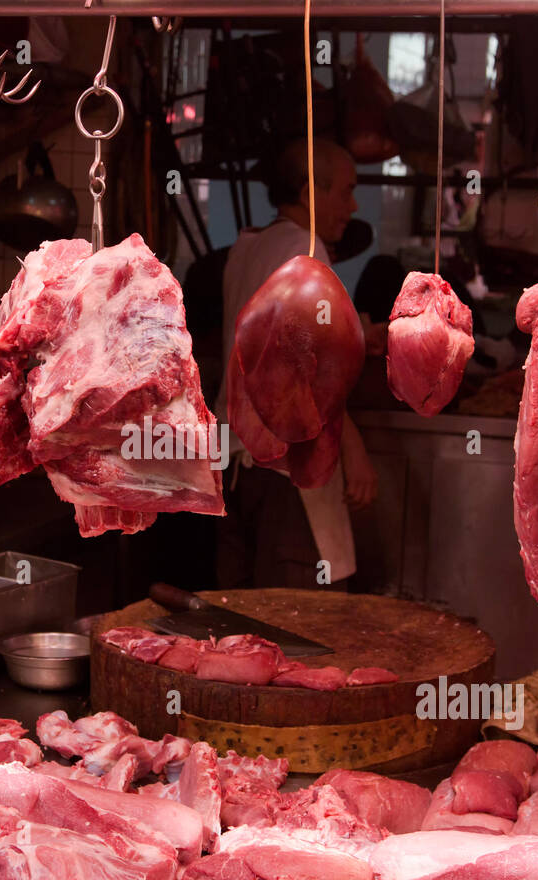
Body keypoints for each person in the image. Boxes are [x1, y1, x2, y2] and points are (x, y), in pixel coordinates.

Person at [215, 138, 377, 590]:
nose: (353, 204)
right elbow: (307, 372)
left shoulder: (247, 247)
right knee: (301, 625)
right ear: (310, 192)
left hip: (232, 463)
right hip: (286, 471)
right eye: (345, 191)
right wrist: (353, 448)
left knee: (240, 624)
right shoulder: (306, 252)